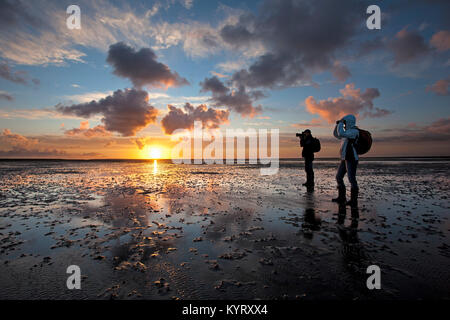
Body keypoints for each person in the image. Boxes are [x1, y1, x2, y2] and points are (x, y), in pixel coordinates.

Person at [332, 114, 359, 207]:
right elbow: (336, 134)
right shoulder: (346, 132)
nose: (344, 124)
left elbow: (340, 133)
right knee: (338, 177)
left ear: (349, 122)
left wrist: (340, 123)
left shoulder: (354, 131)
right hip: (344, 158)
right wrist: (338, 124)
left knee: (352, 179)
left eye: (345, 122)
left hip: (351, 158)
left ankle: (353, 200)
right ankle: (342, 197)